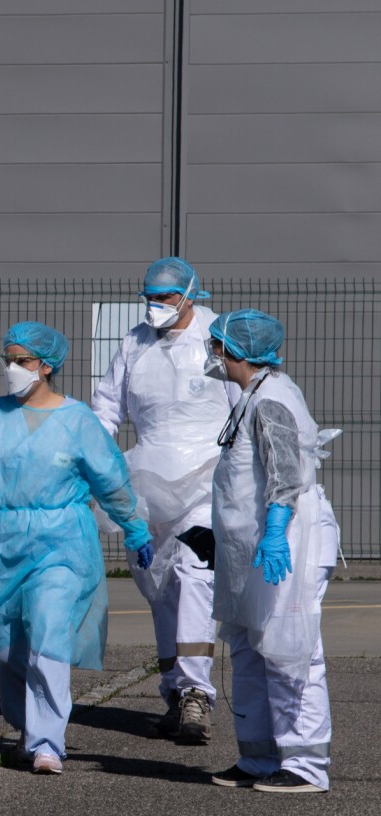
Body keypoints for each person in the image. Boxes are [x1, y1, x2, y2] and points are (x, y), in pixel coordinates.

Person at [0, 322, 152, 775]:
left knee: (47, 635)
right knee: (4, 646)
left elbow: (111, 480)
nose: (12, 369)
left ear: (46, 365)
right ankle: (25, 728)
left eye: (21, 361)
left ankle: (47, 742)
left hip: (60, 543)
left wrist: (134, 527)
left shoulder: (78, 421)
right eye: (8, 360)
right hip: (0, 547)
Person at [91, 257, 239, 743]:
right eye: (150, 297)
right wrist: (95, 454)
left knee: (194, 572)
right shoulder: (135, 342)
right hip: (149, 476)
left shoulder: (218, 335)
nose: (157, 306)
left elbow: (245, 401)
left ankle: (197, 694)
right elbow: (107, 405)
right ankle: (175, 692)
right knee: (158, 583)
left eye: (167, 297)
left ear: (192, 293)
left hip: (205, 476)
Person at [205, 310, 339, 794]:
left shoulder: (272, 400)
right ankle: (259, 755)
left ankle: (305, 764)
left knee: (288, 648)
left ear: (236, 351)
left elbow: (286, 471)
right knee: (248, 649)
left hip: (286, 545)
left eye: (216, 345)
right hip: (250, 550)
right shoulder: (252, 396)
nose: (212, 354)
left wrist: (277, 528)